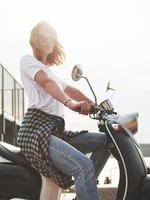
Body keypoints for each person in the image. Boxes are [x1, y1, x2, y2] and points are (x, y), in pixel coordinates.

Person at [16, 21, 110, 200]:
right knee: (83, 165)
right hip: (36, 130)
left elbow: (71, 90)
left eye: (51, 37)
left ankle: (84, 192)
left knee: (106, 141)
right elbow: (47, 84)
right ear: (34, 39)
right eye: (43, 36)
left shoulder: (50, 71)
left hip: (54, 130)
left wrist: (97, 107)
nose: (48, 40)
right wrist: (70, 104)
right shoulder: (28, 61)